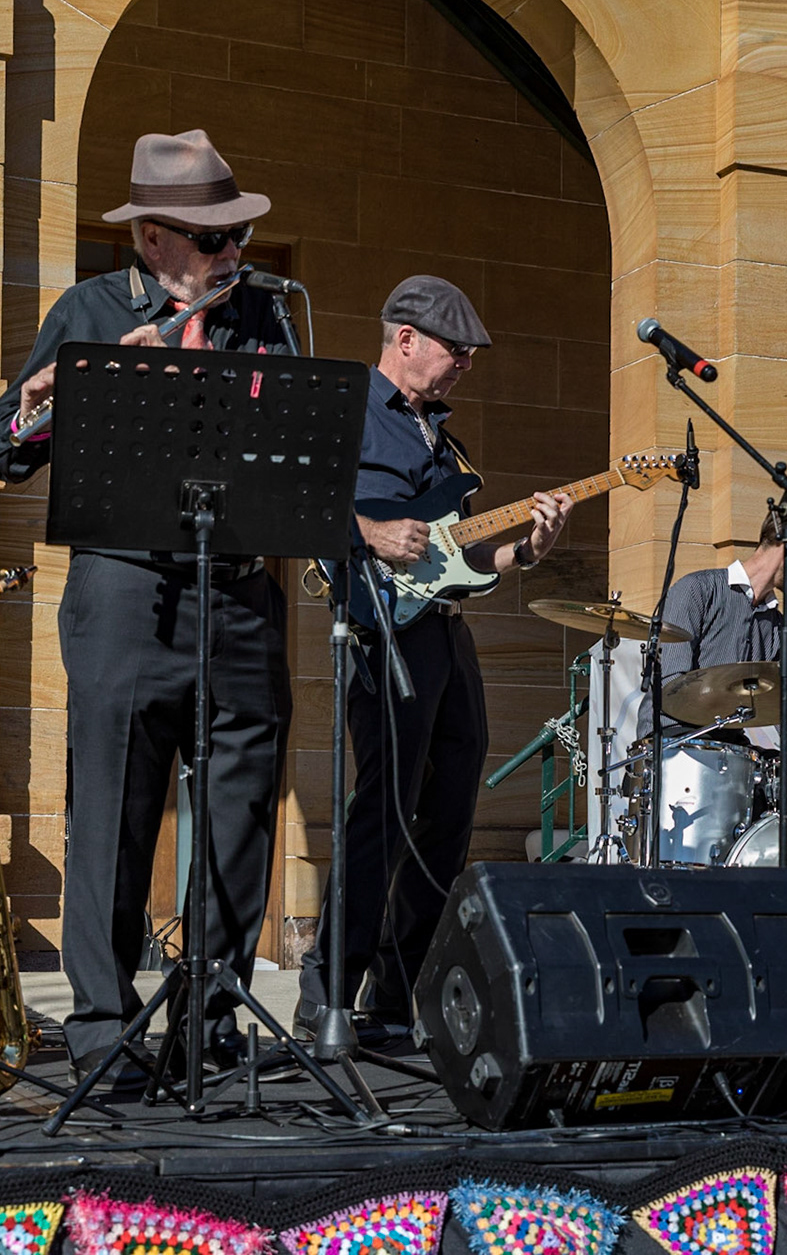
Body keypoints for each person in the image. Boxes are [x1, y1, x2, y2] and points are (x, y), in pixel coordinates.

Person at [0, 130, 292, 1087]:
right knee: (113, 812)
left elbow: (296, 452)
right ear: (153, 239)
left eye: (235, 234)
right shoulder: (91, 309)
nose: (232, 252)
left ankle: (212, 1021)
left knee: (239, 816)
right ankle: (105, 1029)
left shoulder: (263, 319)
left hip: (237, 598)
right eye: (211, 238)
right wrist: (58, 398)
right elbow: (1, 445)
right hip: (125, 595)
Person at [294, 276, 571, 1040]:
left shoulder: (441, 439)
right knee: (382, 809)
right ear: (405, 339)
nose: (464, 367)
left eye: (472, 359)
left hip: (446, 629)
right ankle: (328, 992)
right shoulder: (349, 409)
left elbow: (464, 554)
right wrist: (372, 533)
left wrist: (529, 547)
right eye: (456, 352)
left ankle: (398, 985)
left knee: (449, 810)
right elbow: (294, 499)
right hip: (381, 628)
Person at [655, 507, 787, 713]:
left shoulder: (777, 625)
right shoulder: (697, 589)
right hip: (674, 733)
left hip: (728, 737)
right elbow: (671, 683)